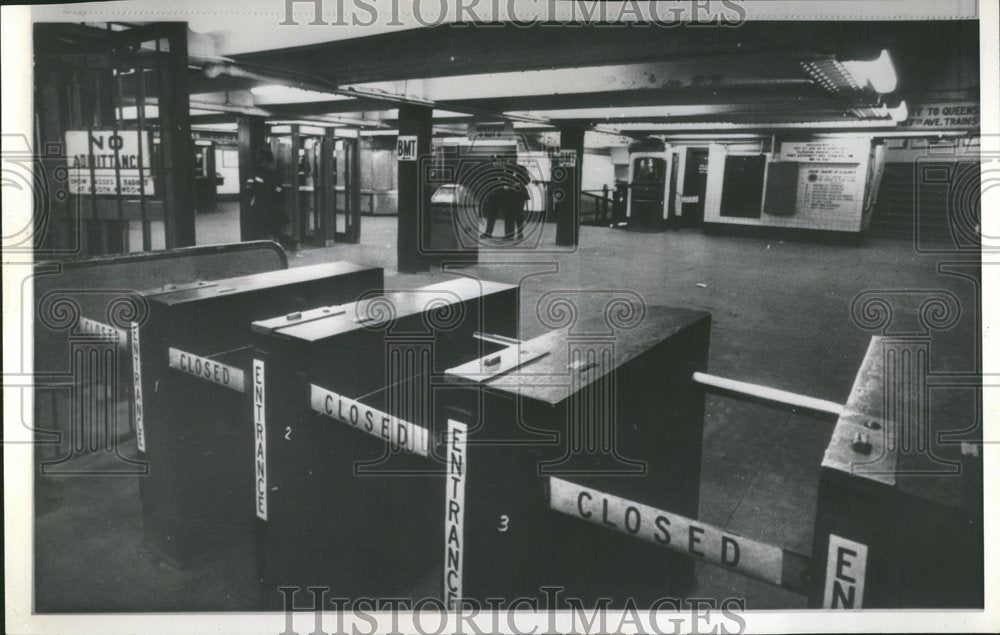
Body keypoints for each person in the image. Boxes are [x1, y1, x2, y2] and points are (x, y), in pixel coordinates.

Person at [247, 148, 298, 252]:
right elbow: (278, 189)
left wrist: (252, 187)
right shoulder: (273, 171)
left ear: (263, 158)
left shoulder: (261, 171)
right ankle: (287, 243)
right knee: (271, 228)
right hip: (271, 205)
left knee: (268, 228)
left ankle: (289, 242)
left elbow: (258, 187)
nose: (257, 157)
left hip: (265, 206)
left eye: (259, 155)